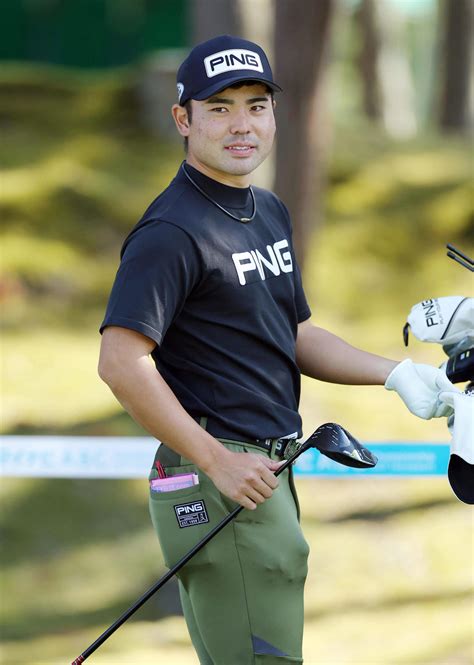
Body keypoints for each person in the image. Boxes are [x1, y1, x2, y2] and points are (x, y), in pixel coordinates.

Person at [98, 35, 457, 665]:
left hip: (265, 469)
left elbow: (291, 332)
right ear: (182, 118)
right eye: (220, 108)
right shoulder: (170, 231)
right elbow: (120, 360)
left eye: (256, 105)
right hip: (221, 473)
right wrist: (214, 460)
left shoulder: (265, 211)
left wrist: (394, 371)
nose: (243, 124)